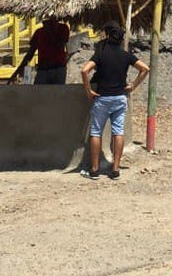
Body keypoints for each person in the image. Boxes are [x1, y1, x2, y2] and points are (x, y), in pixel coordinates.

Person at [80, 21, 148, 180]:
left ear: (108, 35)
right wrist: (133, 85)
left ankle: (95, 170)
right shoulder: (125, 55)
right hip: (120, 98)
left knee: (96, 132)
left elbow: (84, 70)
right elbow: (145, 69)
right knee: (118, 132)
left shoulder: (100, 54)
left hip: (103, 98)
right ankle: (115, 169)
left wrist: (88, 90)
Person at [10, 16, 70, 85]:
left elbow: (60, 44)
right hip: (43, 69)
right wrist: (18, 70)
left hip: (58, 68)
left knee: (57, 93)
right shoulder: (39, 32)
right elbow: (30, 53)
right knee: (38, 93)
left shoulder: (62, 29)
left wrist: (51, 31)